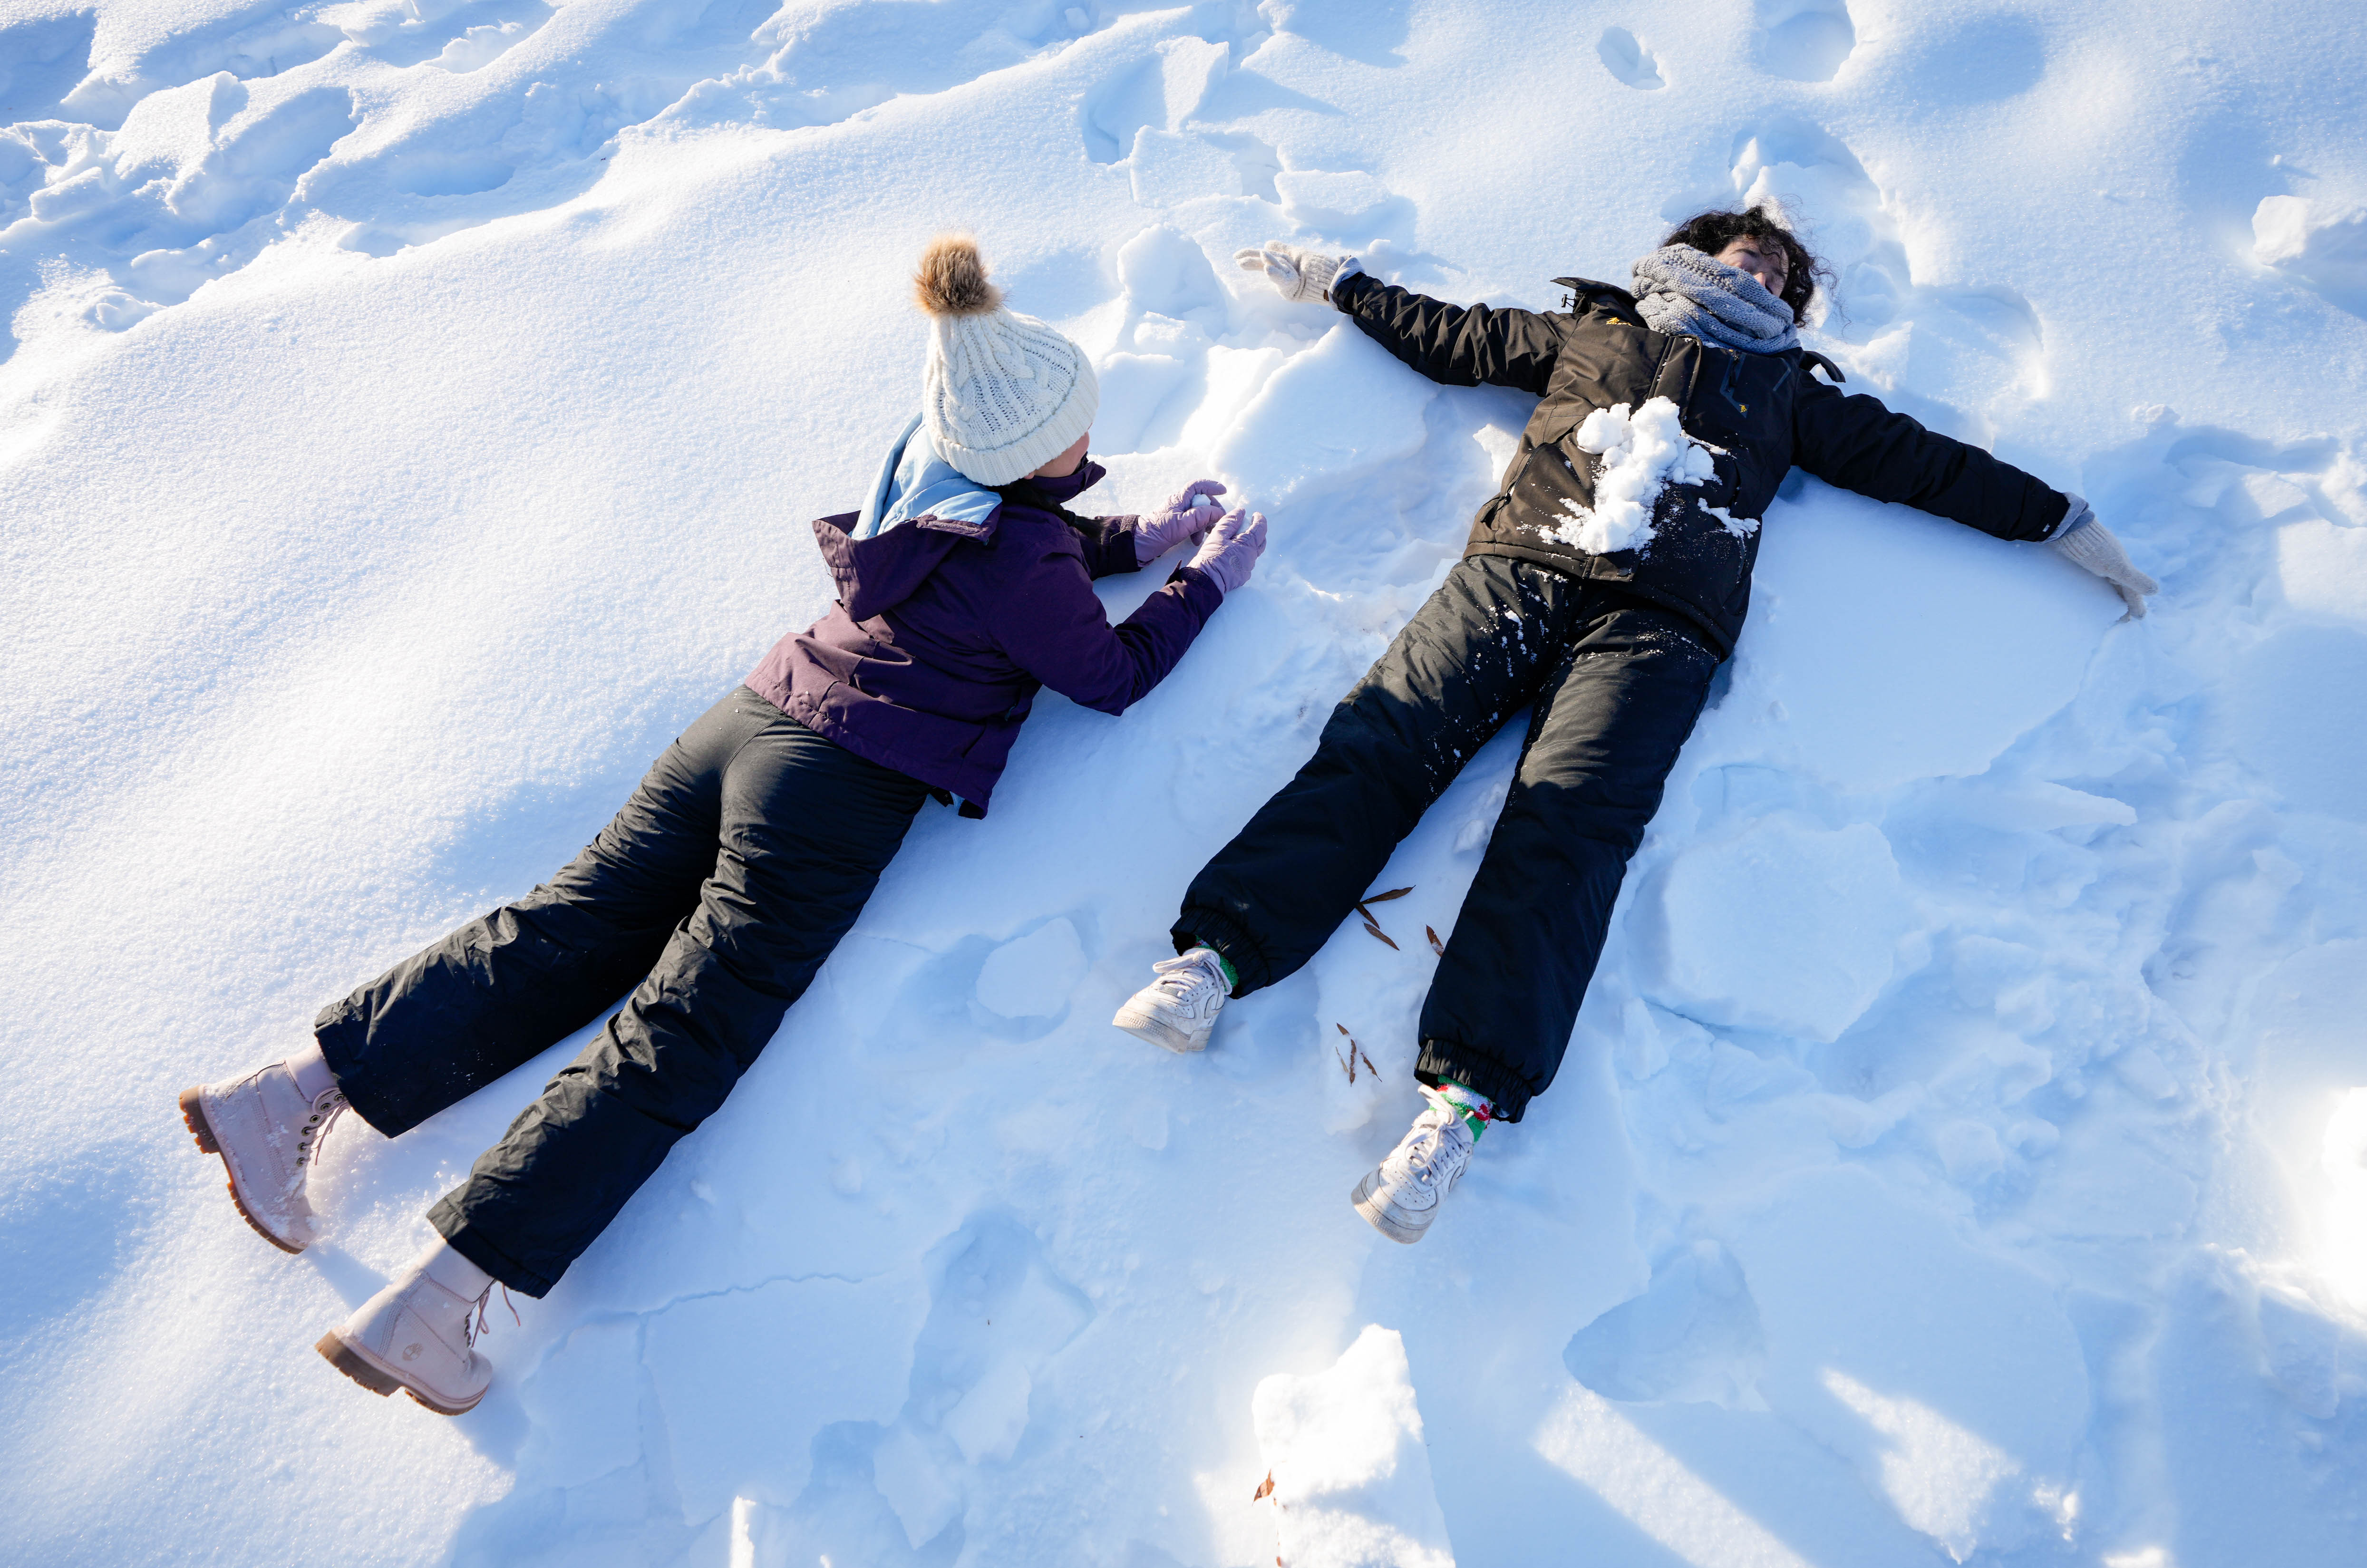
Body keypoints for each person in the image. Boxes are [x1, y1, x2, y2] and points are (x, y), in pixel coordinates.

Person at [178, 236, 1269, 1415]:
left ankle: (284, 1094)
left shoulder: (932, 459)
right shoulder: (1016, 552)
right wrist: (1200, 581)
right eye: (1072, 436)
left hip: (748, 717)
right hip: (837, 790)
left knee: (568, 926)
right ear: (1016, 451)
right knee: (683, 1030)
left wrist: (1133, 534)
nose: (1087, 451)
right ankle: (434, 1304)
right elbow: (1101, 670)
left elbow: (1014, 546)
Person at [1113, 207, 2156, 1244]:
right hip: (1518, 564)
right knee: (1382, 742)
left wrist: (2058, 519)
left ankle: (1458, 1111)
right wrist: (1339, 282)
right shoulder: (1596, 332)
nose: (1761, 258)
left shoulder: (1790, 390)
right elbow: (1455, 334)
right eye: (1743, 245)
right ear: (1697, 253)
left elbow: (1930, 465)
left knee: (1568, 831)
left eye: (1781, 265)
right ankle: (1217, 958)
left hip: (1659, 624)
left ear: (1786, 299)